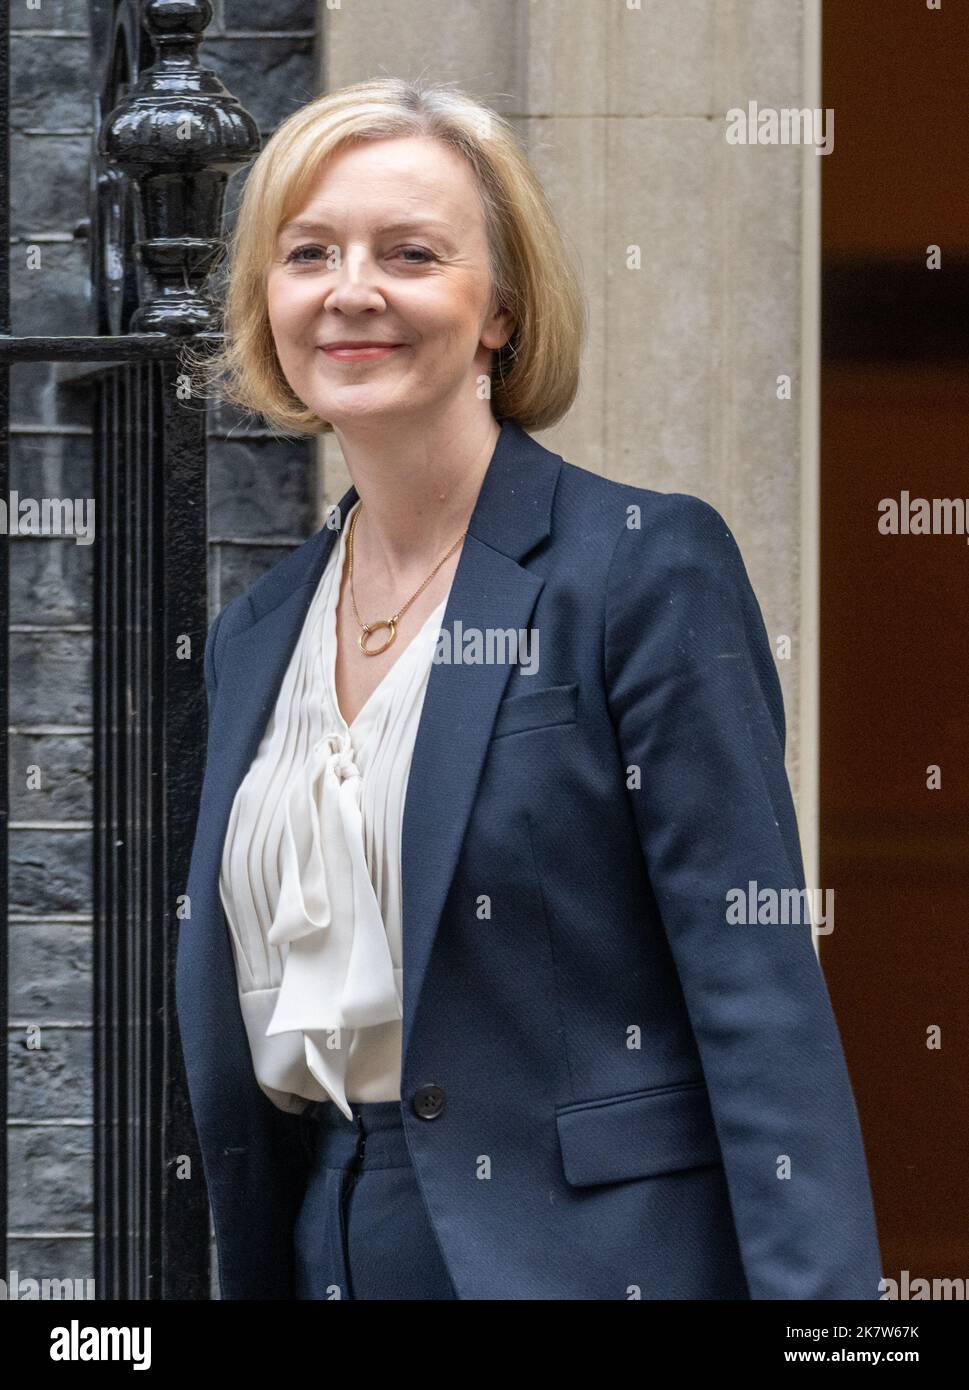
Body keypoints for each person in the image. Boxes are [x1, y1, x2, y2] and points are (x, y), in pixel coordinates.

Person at [175, 77, 883, 1300]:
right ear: (269, 303)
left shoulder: (639, 564)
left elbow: (757, 998)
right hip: (324, 1246)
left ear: (500, 307)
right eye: (308, 253)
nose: (352, 289)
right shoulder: (255, 634)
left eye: (410, 252)